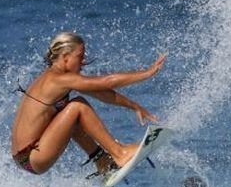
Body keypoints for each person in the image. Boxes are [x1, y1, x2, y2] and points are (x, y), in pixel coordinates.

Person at [11, 32, 166, 176]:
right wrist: (146, 73)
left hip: (26, 157)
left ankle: (102, 161)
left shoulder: (60, 79)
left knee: (72, 114)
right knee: (77, 105)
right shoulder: (57, 79)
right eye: (80, 56)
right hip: (33, 156)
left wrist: (133, 105)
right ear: (65, 57)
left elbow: (100, 91)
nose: (83, 61)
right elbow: (105, 82)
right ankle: (119, 153)